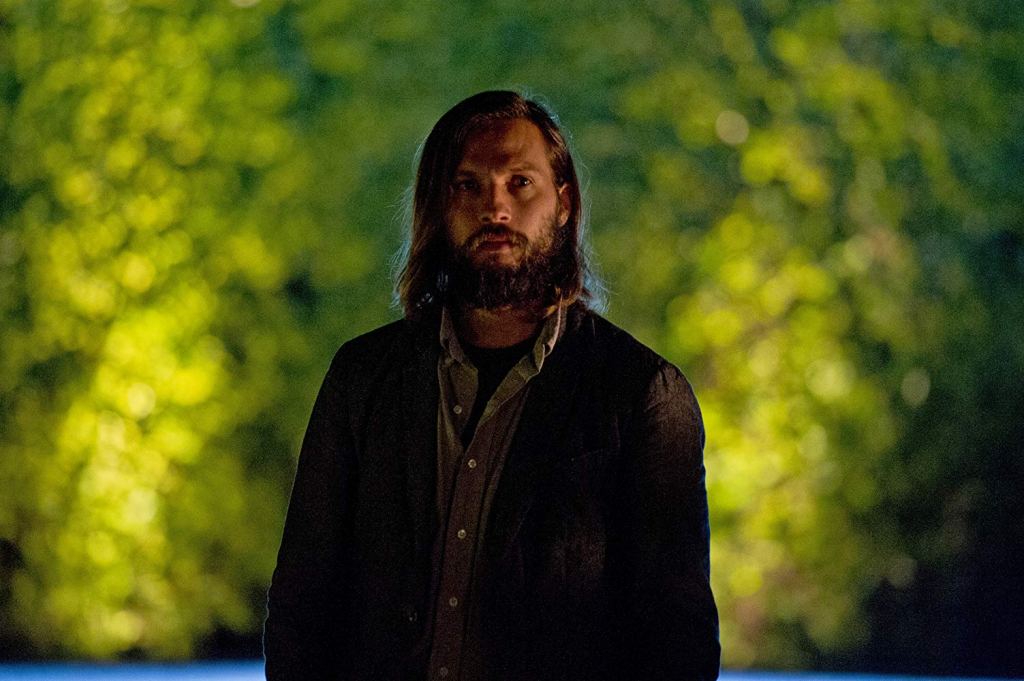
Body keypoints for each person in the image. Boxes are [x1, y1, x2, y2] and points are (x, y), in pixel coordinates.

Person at [264, 90, 720, 681]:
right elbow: (301, 606)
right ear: (438, 204)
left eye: (519, 183)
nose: (495, 208)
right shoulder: (363, 378)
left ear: (563, 203)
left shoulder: (643, 394)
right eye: (468, 185)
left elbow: (676, 643)